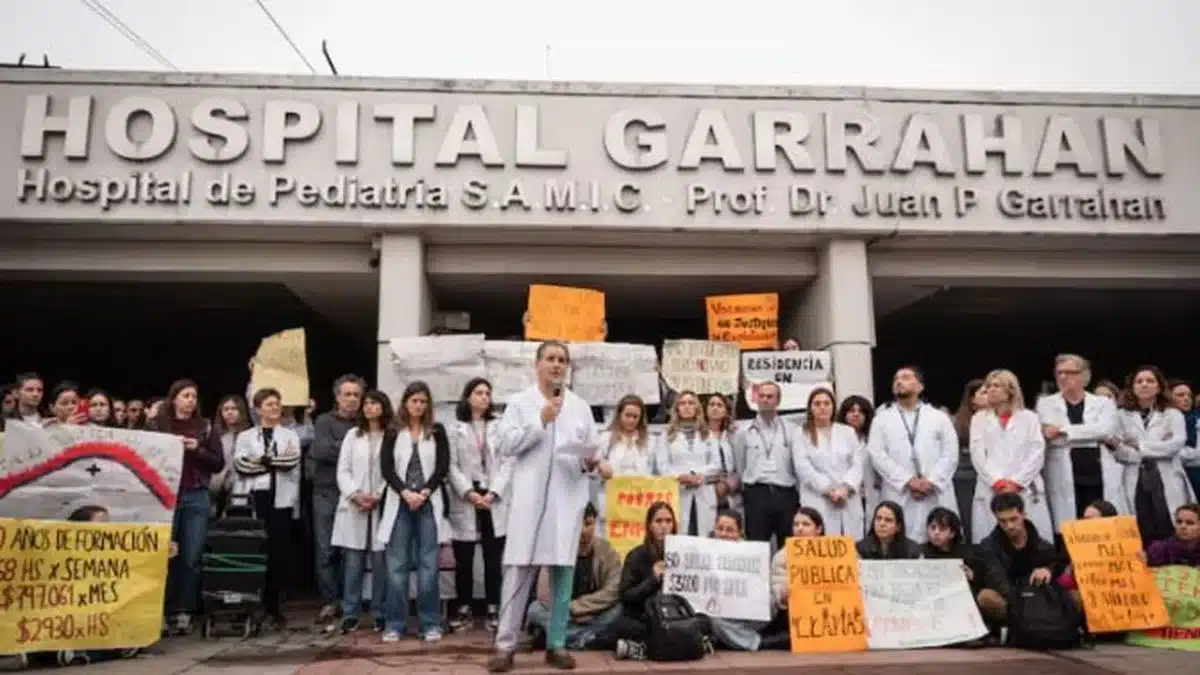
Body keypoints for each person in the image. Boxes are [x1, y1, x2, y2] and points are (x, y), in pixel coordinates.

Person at [486, 341, 600, 673]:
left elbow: (589, 452)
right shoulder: (521, 403)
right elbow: (505, 445)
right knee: (519, 572)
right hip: (529, 503)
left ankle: (557, 644)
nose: (557, 365)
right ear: (537, 364)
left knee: (563, 576)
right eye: (550, 359)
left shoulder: (580, 407)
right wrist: (540, 420)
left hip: (567, 503)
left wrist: (592, 463)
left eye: (562, 360)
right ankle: (504, 646)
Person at [378, 381, 451, 643]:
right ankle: (395, 624)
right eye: (414, 401)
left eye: (423, 401)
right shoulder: (393, 430)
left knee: (428, 565)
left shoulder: (437, 430)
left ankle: (430, 623)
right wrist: (404, 492)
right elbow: (386, 468)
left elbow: (443, 466)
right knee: (397, 565)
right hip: (400, 502)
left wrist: (425, 491)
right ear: (405, 403)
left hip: (428, 502)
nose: (418, 405)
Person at [153, 378, 224, 635]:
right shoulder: (159, 426)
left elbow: (218, 463)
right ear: (173, 399)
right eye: (185, 396)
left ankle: (184, 610)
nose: (190, 400)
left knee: (191, 557)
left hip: (196, 495)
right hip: (166, 496)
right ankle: (158, 609)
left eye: (194, 396)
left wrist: (197, 450)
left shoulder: (205, 427)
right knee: (163, 555)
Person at [233, 387, 303, 629]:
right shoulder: (245, 436)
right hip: (256, 496)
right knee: (254, 550)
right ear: (258, 408)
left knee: (278, 552)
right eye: (270, 404)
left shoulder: (290, 435)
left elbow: (291, 461)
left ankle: (274, 606)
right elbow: (242, 465)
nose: (275, 408)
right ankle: (250, 605)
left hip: (281, 499)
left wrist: (263, 461)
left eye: (277, 403)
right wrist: (271, 463)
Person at [866, 366, 959, 543]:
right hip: (899, 490)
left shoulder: (938, 417)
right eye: (896, 380)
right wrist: (908, 481)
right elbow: (877, 454)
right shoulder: (881, 419)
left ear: (920, 387)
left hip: (934, 491)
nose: (900, 382)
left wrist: (930, 482)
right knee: (901, 541)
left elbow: (950, 453)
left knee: (939, 538)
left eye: (906, 377)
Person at [447, 377, 511, 633]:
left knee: (492, 556)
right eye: (478, 392)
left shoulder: (499, 426)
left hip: (493, 496)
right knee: (464, 556)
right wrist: (468, 492)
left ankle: (494, 607)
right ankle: (463, 607)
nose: (484, 397)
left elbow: (508, 462)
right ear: (467, 397)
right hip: (467, 496)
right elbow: (450, 465)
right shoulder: (455, 428)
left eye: (487, 393)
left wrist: (494, 492)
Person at [1037, 354, 1122, 537]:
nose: (1063, 377)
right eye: (1059, 373)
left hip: (1096, 472)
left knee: (1099, 524)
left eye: (1070, 372)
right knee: (1068, 527)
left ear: (1084, 376)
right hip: (1063, 472)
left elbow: (1105, 431)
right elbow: (1050, 437)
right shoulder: (1045, 403)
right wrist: (1090, 434)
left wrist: (1063, 430)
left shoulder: (1103, 403)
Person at [330, 390, 392, 634]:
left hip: (380, 504)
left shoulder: (391, 436)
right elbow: (342, 470)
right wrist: (355, 494)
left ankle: (379, 612)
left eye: (374, 403)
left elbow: (392, 470)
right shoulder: (352, 436)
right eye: (366, 403)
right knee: (353, 562)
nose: (369, 407)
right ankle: (350, 613)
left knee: (380, 563)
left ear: (383, 407)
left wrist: (377, 494)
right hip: (354, 505)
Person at [969, 369, 1054, 544]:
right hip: (991, 487)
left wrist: (1016, 482)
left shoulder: (1030, 418)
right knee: (990, 544)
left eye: (996, 386)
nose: (990, 390)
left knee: (1031, 539)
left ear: (1010, 390)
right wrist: (997, 482)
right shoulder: (979, 419)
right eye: (988, 386)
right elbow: (977, 454)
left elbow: (1037, 452)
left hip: (1024, 487)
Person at [1113, 366, 1193, 545]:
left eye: (1150, 381)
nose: (1144, 385)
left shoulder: (1173, 414)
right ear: (1132, 387)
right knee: (1140, 524)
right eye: (1139, 381)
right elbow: (1118, 449)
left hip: (1165, 475)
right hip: (1134, 474)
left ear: (1158, 387)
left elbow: (1175, 445)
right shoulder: (1121, 415)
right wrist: (1154, 448)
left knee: (1167, 521)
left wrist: (1139, 446)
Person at [309, 374, 366, 623]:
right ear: (337, 397)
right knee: (325, 550)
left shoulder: (367, 423)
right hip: (326, 491)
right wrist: (350, 449)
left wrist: (339, 446)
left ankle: (349, 600)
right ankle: (330, 601)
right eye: (348, 394)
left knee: (350, 551)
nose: (352, 399)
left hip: (356, 494)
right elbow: (320, 450)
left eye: (356, 395)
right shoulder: (323, 421)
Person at [526, 502, 622, 650]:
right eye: (578, 525)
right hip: (564, 613)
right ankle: (585, 639)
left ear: (595, 522)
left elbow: (613, 589)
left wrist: (579, 607)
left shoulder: (607, 550)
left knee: (618, 610)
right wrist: (568, 610)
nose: (583, 530)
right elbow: (544, 594)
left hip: (593, 612)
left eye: (588, 524)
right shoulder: (557, 550)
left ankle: (562, 638)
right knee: (534, 610)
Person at [920, 507, 1008, 640]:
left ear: (952, 533)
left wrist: (971, 577)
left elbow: (983, 582)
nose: (936, 533)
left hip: (962, 602)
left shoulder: (967, 554)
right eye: (933, 528)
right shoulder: (921, 552)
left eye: (942, 529)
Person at [792, 387, 864, 539]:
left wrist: (845, 488)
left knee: (851, 544)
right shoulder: (801, 433)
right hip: (818, 497)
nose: (822, 407)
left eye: (826, 403)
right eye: (817, 404)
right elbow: (803, 468)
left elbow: (857, 464)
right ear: (810, 408)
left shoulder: (847, 432)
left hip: (847, 497)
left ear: (833, 406)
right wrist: (830, 490)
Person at [733, 381, 798, 546]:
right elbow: (741, 465)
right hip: (757, 493)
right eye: (761, 396)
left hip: (785, 492)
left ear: (778, 401)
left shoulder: (791, 430)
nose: (765, 400)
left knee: (789, 545)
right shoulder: (744, 432)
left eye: (770, 396)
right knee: (756, 545)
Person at [652, 390, 722, 537]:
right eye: (683, 403)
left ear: (697, 408)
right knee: (680, 535)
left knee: (704, 537)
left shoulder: (707, 434)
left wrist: (696, 476)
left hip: (703, 491)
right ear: (677, 408)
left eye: (691, 403)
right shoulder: (667, 434)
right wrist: (680, 477)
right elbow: (662, 466)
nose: (687, 406)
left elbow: (717, 464)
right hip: (678, 491)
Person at [979, 493, 1066, 602]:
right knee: (986, 597)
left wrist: (1048, 570)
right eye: (1003, 521)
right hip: (1012, 602)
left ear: (1023, 514)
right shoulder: (988, 546)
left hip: (1040, 599)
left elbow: (1058, 566)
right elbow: (998, 582)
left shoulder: (1043, 545)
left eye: (1013, 519)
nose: (1009, 526)